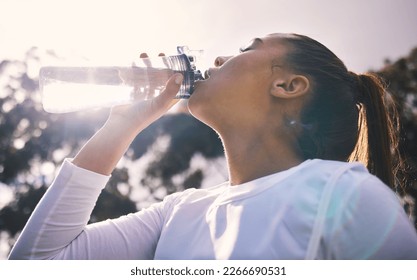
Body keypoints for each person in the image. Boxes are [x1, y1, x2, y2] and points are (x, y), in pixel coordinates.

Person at [8, 33, 417, 260]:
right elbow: (37, 265)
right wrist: (122, 124)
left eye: (246, 49)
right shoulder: (178, 212)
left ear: (287, 86)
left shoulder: (343, 193)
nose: (219, 58)